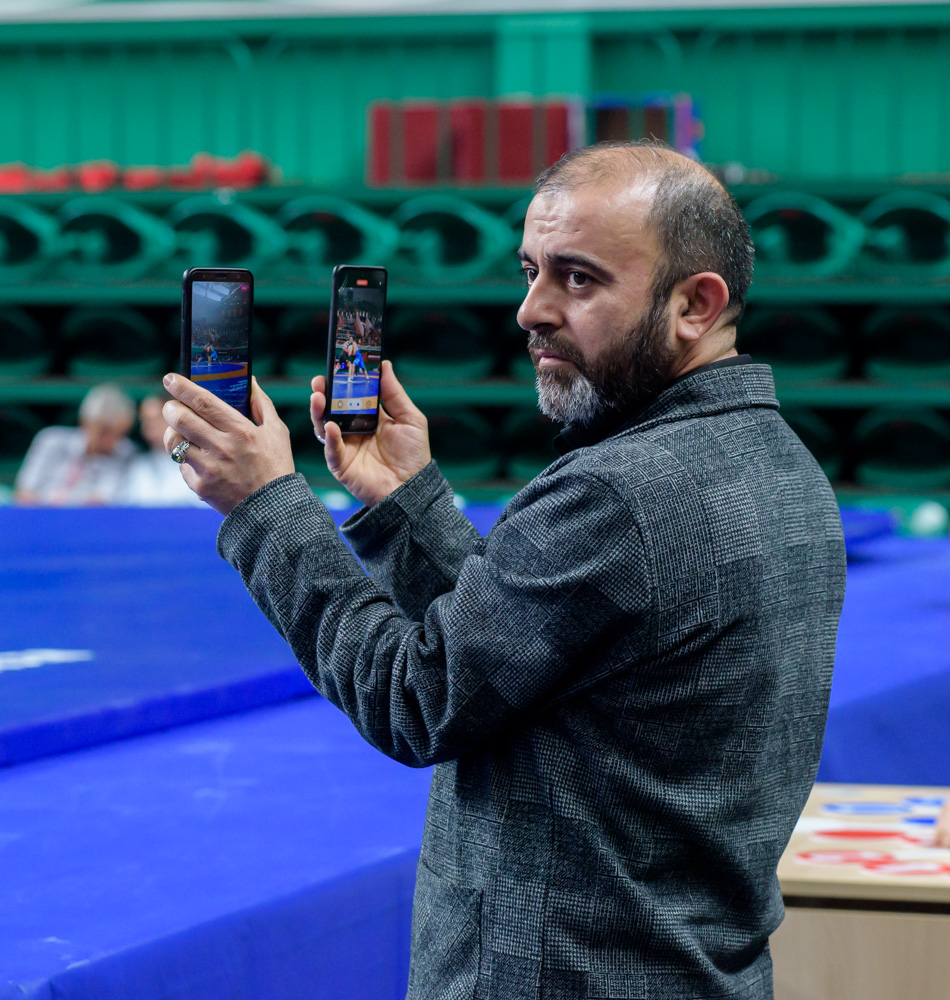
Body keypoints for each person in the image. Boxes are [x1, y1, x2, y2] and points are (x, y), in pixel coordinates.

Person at [160, 141, 846, 999]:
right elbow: (521, 653)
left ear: (694, 304)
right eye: (530, 271)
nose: (531, 310)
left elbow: (417, 697)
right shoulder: (784, 465)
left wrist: (264, 504)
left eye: (578, 279)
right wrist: (402, 500)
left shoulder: (619, 493)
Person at [15, 383, 137, 506]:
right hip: (44, 515)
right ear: (85, 421)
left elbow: (118, 505)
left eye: (120, 434)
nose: (111, 440)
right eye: (105, 431)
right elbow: (24, 495)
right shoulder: (51, 441)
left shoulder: (127, 453)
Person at [117, 396, 205, 507]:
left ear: (174, 420)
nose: (148, 427)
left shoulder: (197, 462)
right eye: (145, 421)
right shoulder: (138, 466)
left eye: (155, 420)